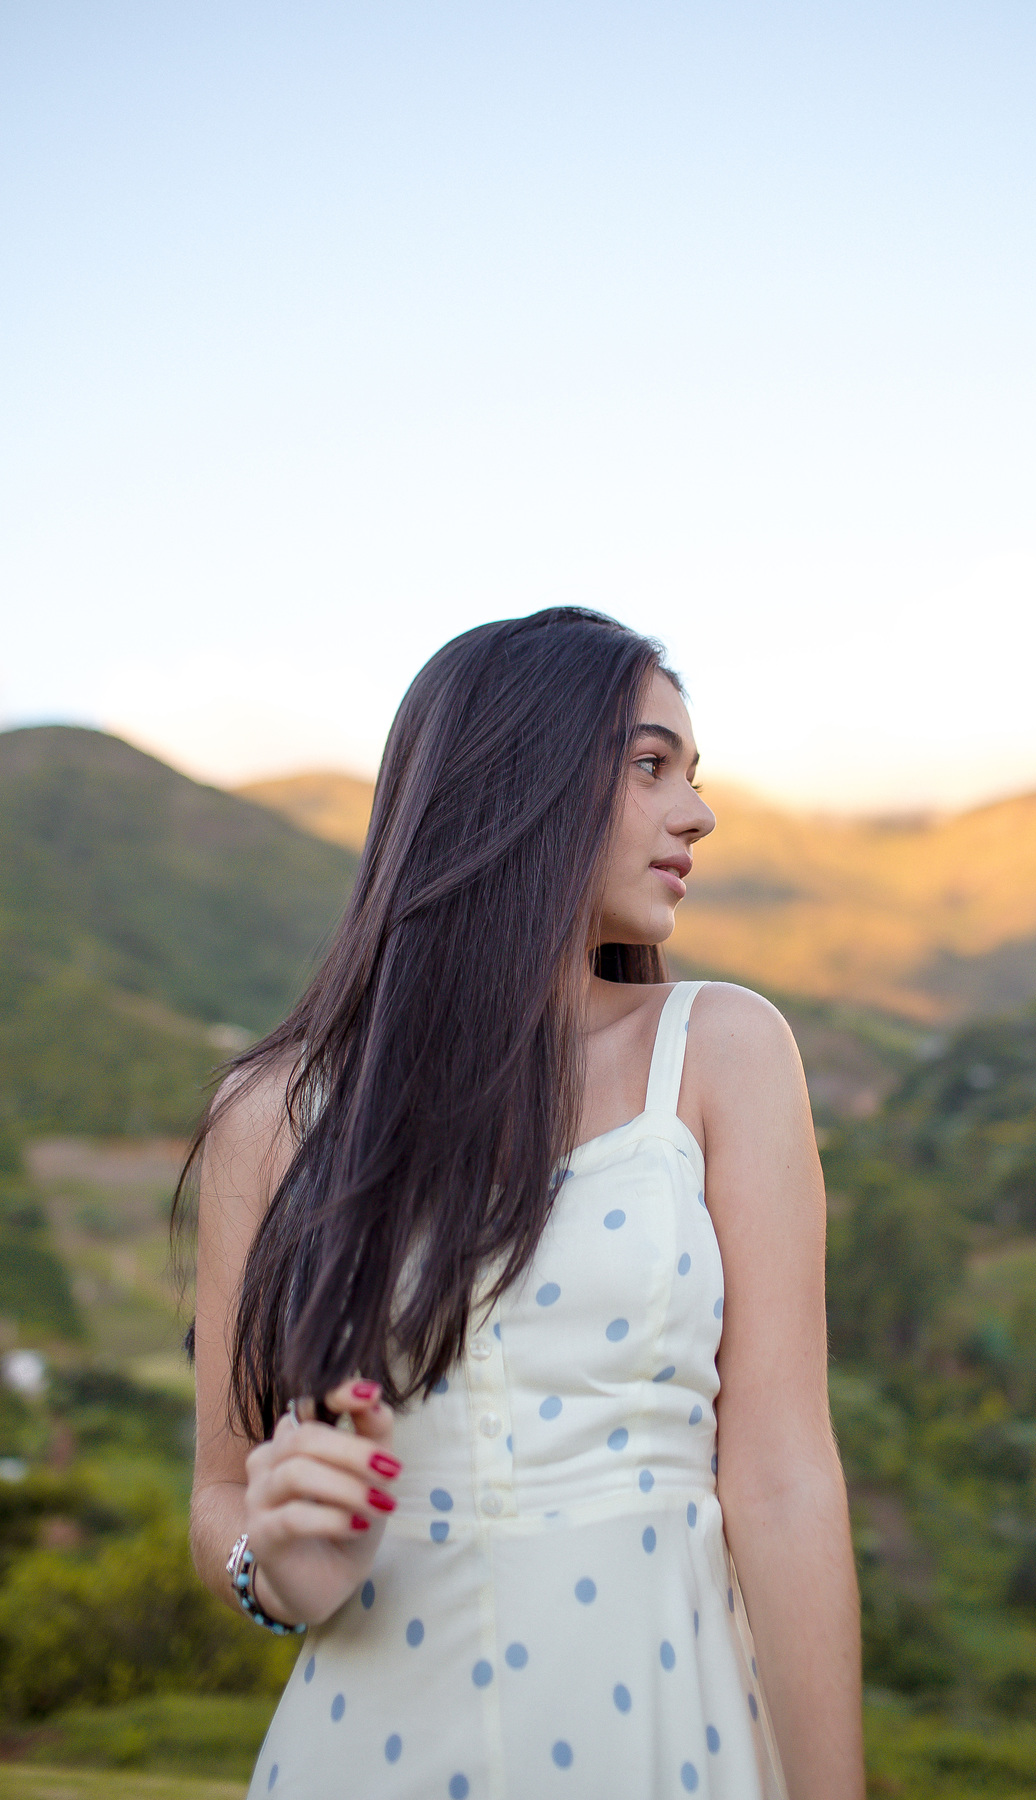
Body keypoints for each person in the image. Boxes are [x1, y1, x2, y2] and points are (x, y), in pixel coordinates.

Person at [182, 607, 864, 1800]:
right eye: (651, 765)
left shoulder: (723, 1053)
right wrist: (279, 1566)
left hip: (666, 1727)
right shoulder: (271, 1115)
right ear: (517, 778)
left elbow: (784, 1474)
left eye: (689, 776)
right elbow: (225, 1494)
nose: (697, 813)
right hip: (366, 1743)